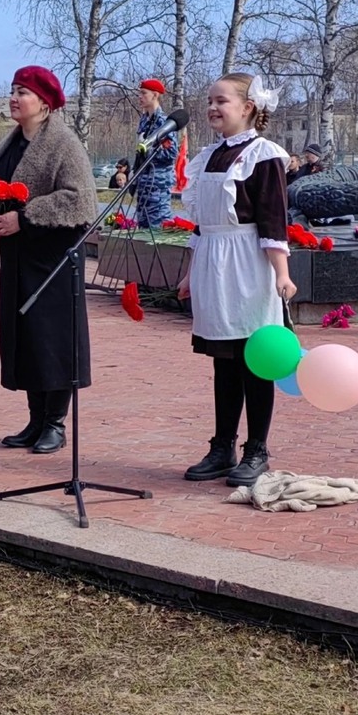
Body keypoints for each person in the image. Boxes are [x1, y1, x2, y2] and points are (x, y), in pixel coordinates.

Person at [177, 72, 296, 487]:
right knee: (224, 361)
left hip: (247, 264)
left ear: (248, 107)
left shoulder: (263, 155)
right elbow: (201, 223)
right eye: (209, 100)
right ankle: (222, 446)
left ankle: (256, 450)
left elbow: (273, 218)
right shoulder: (208, 156)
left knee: (256, 360)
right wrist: (190, 274)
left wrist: (281, 273)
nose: (212, 107)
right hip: (213, 262)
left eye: (221, 101)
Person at [0, 66, 95, 453]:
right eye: (12, 90)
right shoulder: (10, 143)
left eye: (22, 92)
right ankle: (34, 418)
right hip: (18, 260)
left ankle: (55, 423)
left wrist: (23, 218)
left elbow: (79, 200)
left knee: (52, 340)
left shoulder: (64, 143)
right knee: (24, 339)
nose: (14, 98)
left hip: (52, 261)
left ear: (44, 103)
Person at [134, 79, 177, 229]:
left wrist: (149, 150)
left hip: (157, 186)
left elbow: (171, 153)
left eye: (143, 93)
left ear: (155, 95)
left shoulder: (163, 122)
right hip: (144, 185)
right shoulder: (145, 120)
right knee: (143, 231)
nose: (140, 96)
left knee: (157, 229)